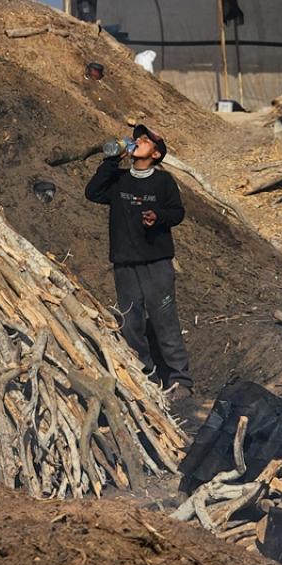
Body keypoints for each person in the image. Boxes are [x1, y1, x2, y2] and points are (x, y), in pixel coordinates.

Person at [85, 124, 194, 402]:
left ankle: (180, 380)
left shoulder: (163, 181)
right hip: (125, 263)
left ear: (156, 154)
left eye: (146, 140)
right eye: (138, 138)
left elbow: (177, 212)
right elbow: (92, 192)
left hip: (156, 262)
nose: (138, 140)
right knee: (131, 323)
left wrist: (158, 217)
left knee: (164, 320)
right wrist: (112, 160)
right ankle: (148, 379)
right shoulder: (119, 180)